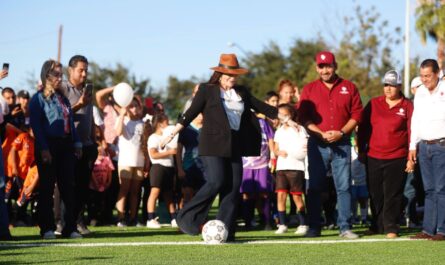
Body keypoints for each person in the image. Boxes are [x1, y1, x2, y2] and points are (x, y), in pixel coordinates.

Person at [162, 54, 279, 240]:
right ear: (220, 73)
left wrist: (287, 116)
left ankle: (227, 230)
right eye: (229, 75)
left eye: (235, 75)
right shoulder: (207, 90)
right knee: (216, 181)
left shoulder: (241, 92)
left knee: (233, 187)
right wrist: (173, 132)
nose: (232, 78)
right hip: (212, 144)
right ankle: (186, 217)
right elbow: (191, 112)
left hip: (234, 145)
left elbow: (263, 108)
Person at [298, 51, 363, 238]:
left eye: (328, 66)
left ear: (335, 66)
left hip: (342, 143)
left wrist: (341, 132)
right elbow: (303, 117)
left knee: (343, 186)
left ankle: (345, 227)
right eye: (321, 66)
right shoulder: (309, 89)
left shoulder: (349, 87)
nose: (325, 70)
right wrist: (321, 133)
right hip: (317, 144)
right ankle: (314, 227)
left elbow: (357, 115)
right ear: (317, 68)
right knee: (315, 186)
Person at [29, 59, 82, 239]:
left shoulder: (63, 99)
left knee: (68, 187)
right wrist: (44, 148)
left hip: (66, 146)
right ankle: (47, 228)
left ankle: (70, 227)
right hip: (48, 145)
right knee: (47, 187)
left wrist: (77, 143)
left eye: (61, 75)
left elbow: (71, 124)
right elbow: (36, 126)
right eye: (56, 74)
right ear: (46, 76)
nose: (60, 78)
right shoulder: (37, 99)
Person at [357, 70, 414, 238]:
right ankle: (376, 225)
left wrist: (411, 154)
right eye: (386, 85)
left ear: (399, 86)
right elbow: (363, 128)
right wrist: (361, 149)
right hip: (373, 156)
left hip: (397, 157)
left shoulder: (407, 105)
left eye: (392, 85)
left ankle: (391, 226)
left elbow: (412, 130)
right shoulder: (374, 104)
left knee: (393, 193)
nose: (388, 88)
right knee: (375, 193)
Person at [59, 55, 98, 235]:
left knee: (83, 188)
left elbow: (89, 119)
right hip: (69, 145)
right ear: (70, 70)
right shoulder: (63, 89)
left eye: (86, 70)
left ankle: (77, 222)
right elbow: (60, 114)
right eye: (80, 70)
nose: (84, 74)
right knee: (67, 186)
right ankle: (62, 223)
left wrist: (94, 142)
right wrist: (79, 104)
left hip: (87, 146)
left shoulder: (87, 92)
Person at [409, 59, 445, 241]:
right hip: (423, 146)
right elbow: (416, 120)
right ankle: (428, 229)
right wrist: (412, 146)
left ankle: (442, 230)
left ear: (437, 73)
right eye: (422, 76)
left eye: (428, 76)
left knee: (441, 189)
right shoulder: (420, 92)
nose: (424, 80)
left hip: (441, 146)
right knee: (429, 190)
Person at [273, 104, 308, 235]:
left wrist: (298, 153)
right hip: (282, 167)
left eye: (285, 115)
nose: (282, 118)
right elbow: (275, 149)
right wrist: (278, 152)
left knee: (297, 196)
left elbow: (304, 148)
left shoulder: (300, 129)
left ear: (291, 115)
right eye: (280, 115)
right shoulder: (279, 130)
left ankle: (303, 224)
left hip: (296, 167)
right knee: (281, 195)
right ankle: (282, 224)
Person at [114, 97, 145, 227]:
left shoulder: (142, 123)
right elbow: (118, 132)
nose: (134, 109)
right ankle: (121, 218)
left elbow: (144, 143)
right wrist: (121, 115)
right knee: (124, 189)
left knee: (135, 191)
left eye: (136, 106)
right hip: (125, 160)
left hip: (139, 161)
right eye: (131, 106)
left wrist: (147, 161)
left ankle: (133, 217)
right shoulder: (123, 120)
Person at [146, 113, 178, 228]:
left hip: (169, 167)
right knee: (155, 192)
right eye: (166, 122)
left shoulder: (169, 137)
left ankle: (174, 218)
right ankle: (150, 219)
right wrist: (169, 152)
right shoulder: (153, 137)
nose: (168, 124)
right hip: (158, 167)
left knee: (169, 195)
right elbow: (153, 154)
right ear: (160, 123)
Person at [176, 113, 205, 207]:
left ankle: (200, 220)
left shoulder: (207, 128)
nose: (202, 116)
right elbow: (178, 151)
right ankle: (183, 218)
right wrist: (180, 169)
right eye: (199, 114)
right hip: (188, 167)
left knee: (201, 196)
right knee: (187, 195)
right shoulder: (185, 129)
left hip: (204, 168)